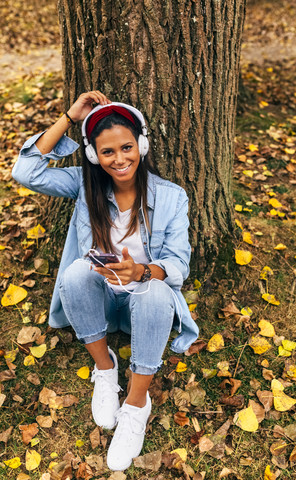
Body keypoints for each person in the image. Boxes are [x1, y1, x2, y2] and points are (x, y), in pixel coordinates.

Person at [12, 91, 199, 471]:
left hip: (146, 307)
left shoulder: (171, 197)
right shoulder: (84, 184)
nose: (120, 159)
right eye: (108, 152)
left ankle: (135, 405)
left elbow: (179, 263)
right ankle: (105, 368)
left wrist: (143, 271)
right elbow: (25, 172)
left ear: (141, 145)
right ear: (95, 155)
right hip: (97, 300)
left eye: (127, 147)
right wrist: (69, 117)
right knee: (78, 271)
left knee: (154, 288)